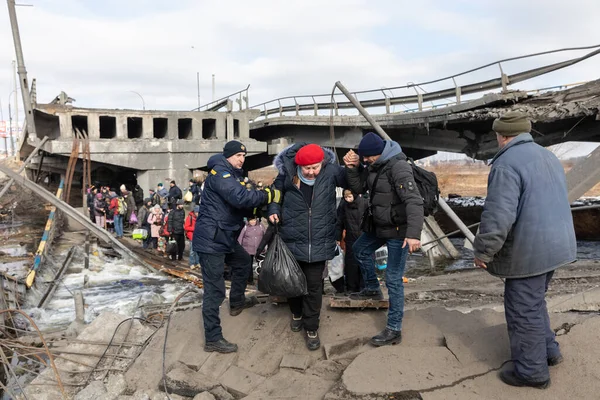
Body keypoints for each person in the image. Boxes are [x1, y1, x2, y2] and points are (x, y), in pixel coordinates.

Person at [472, 111, 576, 389]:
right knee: (534, 302)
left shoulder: (506, 164)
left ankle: (532, 373)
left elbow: (497, 216)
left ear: (501, 135)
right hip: (556, 245)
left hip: (530, 250)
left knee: (522, 309)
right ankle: (549, 352)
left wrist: (483, 251)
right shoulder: (547, 156)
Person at [193, 140, 281, 354]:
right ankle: (213, 338)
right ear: (228, 156)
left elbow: (235, 205)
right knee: (215, 291)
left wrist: (255, 210)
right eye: (238, 156)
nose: (242, 159)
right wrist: (268, 195)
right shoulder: (220, 174)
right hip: (211, 240)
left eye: (244, 156)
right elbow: (239, 197)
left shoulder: (232, 175)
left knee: (242, 263)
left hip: (223, 237)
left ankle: (237, 302)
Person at [343, 132, 424, 347]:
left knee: (393, 278)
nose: (365, 161)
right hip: (379, 227)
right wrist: (352, 169)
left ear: (376, 154)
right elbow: (359, 188)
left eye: (367, 158)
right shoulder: (375, 166)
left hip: (399, 231)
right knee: (359, 249)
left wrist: (414, 234)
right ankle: (372, 288)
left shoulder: (399, 167)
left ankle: (394, 329)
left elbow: (414, 201)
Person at [268, 143, 346, 351]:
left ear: (322, 163)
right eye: (307, 169)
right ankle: (296, 313)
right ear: (299, 165)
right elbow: (275, 193)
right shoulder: (287, 174)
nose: (311, 172)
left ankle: (311, 328)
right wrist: (273, 209)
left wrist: (354, 167)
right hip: (292, 237)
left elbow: (353, 182)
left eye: (315, 168)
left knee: (314, 287)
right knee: (292, 281)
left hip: (320, 240)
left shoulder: (331, 172)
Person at [334, 189, 368, 293]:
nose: (348, 199)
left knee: (365, 263)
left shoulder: (365, 203)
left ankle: (364, 287)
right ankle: (351, 288)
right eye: (346, 197)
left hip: (364, 238)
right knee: (351, 264)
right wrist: (338, 237)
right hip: (350, 238)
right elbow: (339, 221)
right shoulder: (343, 205)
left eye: (350, 197)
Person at [237, 217, 265, 284]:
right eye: (251, 220)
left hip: (259, 249)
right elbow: (240, 238)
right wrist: (239, 249)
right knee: (248, 265)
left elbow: (265, 236)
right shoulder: (245, 227)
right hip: (248, 249)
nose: (252, 222)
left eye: (254, 220)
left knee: (261, 265)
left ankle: (262, 280)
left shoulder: (261, 226)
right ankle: (250, 280)